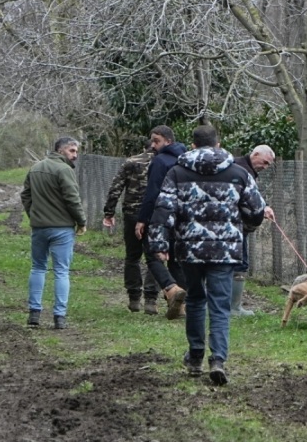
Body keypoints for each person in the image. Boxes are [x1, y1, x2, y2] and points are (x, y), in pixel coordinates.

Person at [149, 125, 266, 385]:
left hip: (189, 249)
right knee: (220, 304)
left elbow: (163, 209)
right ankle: (218, 359)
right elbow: (257, 209)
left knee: (195, 300)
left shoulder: (177, 172)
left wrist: (159, 244)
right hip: (224, 250)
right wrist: (245, 226)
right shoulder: (238, 173)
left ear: (192, 145)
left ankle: (195, 356)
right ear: (218, 144)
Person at [21, 137, 88, 330]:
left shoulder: (35, 168)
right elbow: (72, 198)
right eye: (72, 151)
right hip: (62, 229)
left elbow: (25, 195)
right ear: (61, 151)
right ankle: (59, 316)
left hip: (39, 227)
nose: (75, 155)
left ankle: (34, 312)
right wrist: (81, 221)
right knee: (61, 271)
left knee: (38, 268)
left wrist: (34, 214)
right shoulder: (64, 170)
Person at [135, 125, 189, 320]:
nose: (152, 145)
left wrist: (143, 219)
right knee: (176, 260)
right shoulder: (186, 159)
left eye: (156, 141)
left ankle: (171, 288)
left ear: (168, 141)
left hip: (161, 215)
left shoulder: (160, 161)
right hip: (183, 217)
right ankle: (182, 306)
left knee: (152, 255)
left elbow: (153, 193)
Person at [102, 144, 157, 314]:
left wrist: (109, 212)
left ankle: (134, 297)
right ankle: (151, 299)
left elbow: (116, 187)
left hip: (133, 213)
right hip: (155, 215)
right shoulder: (164, 162)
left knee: (132, 256)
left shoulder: (131, 162)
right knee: (154, 257)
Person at [231, 145, 277, 316]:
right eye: (264, 162)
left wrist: (263, 206)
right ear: (255, 154)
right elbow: (243, 198)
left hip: (234, 225)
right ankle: (233, 308)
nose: (264, 167)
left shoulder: (244, 168)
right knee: (239, 264)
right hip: (235, 226)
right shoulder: (241, 169)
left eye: (268, 165)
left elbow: (252, 196)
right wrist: (260, 209)